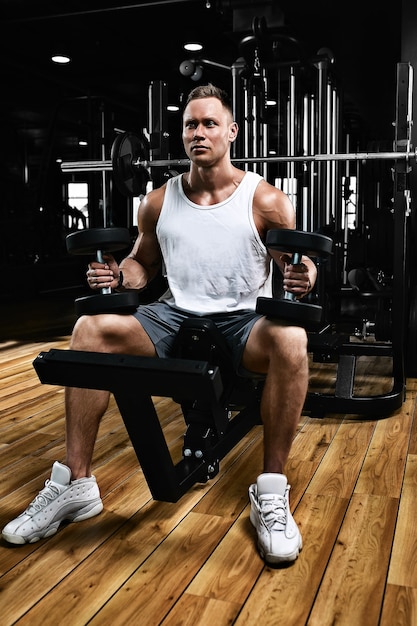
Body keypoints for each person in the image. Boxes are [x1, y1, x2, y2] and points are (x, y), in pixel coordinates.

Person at [2, 84, 317, 565]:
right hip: (173, 316)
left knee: (293, 340)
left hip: (242, 322)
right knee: (91, 328)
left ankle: (271, 491)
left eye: (210, 123)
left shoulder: (266, 199)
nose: (199, 132)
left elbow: (296, 264)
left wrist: (304, 275)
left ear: (232, 132)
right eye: (191, 124)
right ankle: (76, 484)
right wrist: (117, 274)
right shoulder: (157, 201)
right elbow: (141, 265)